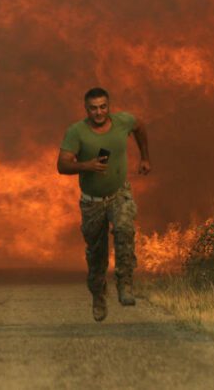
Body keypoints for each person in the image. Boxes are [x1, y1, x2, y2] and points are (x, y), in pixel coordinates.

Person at [57, 87, 150, 322]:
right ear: (86, 109)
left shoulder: (123, 122)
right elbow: (62, 165)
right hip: (92, 202)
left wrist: (145, 157)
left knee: (124, 230)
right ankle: (98, 295)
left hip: (119, 193)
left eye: (103, 107)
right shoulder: (76, 132)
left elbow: (140, 127)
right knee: (97, 255)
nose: (99, 112)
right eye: (93, 108)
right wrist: (86, 165)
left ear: (109, 106)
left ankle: (125, 284)